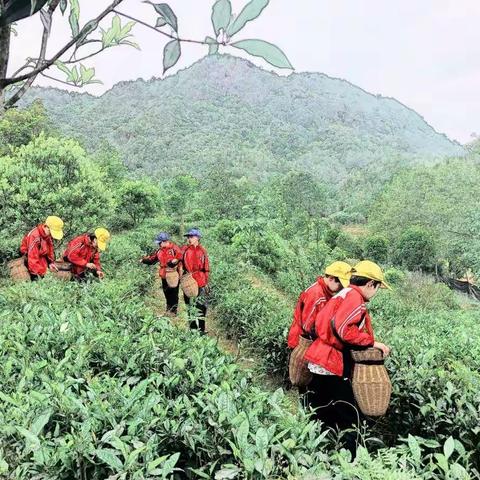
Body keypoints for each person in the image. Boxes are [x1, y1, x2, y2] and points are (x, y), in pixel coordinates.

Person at [303, 260, 391, 457]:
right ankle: (351, 459)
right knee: (350, 414)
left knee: (321, 408)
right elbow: (344, 329)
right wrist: (372, 342)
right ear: (370, 284)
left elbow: (319, 324)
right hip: (331, 361)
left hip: (319, 358)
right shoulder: (355, 298)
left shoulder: (343, 294)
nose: (375, 293)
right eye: (377, 287)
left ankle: (319, 450)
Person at [287, 261, 352, 350]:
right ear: (331, 278)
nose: (341, 288)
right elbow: (308, 327)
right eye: (340, 284)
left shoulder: (326, 291)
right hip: (302, 343)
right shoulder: (316, 294)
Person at [141, 232, 183, 315]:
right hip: (164, 275)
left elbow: (180, 257)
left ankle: (174, 311)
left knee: (174, 293)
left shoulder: (174, 249)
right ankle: (168, 308)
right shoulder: (159, 251)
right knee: (166, 291)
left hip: (173, 274)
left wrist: (175, 261)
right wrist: (143, 260)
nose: (159, 245)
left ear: (165, 241)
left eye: (160, 243)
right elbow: (153, 260)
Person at [182, 228, 210, 332]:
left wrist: (206, 282)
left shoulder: (202, 251)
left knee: (202, 307)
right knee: (190, 306)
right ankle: (192, 330)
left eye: (191, 237)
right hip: (189, 281)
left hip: (200, 282)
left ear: (198, 238)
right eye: (188, 237)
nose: (189, 239)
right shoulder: (185, 250)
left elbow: (206, 267)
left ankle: (201, 330)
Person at [20, 216, 64, 280]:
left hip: (40, 254)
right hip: (29, 256)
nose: (51, 235)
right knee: (36, 275)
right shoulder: (34, 236)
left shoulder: (47, 234)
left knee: (43, 270)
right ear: (46, 227)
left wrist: (50, 263)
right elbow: (32, 258)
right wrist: (38, 275)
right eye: (51, 232)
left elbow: (50, 249)